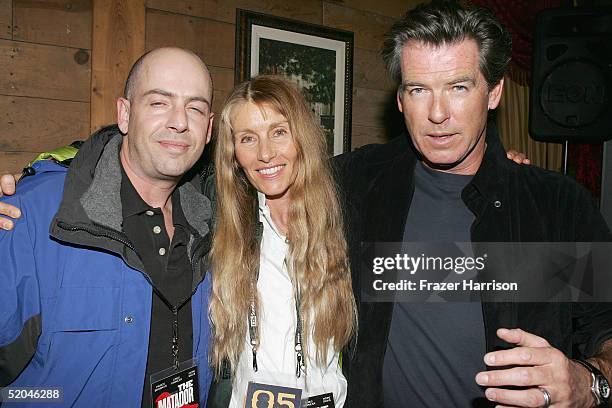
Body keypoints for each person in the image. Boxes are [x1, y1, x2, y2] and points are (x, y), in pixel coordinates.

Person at [334, 1, 612, 407]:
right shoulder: (359, 181)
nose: (437, 114)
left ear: (494, 91)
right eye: (418, 90)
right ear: (400, 99)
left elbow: (605, 327)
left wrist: (588, 384)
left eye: (458, 87)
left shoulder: (554, 205)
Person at [0, 47, 215, 407]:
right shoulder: (33, 215)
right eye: (159, 103)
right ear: (125, 114)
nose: (180, 121)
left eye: (195, 107)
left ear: (208, 129)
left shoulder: (215, 225)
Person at [208, 75, 356, 407]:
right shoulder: (219, 230)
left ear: (300, 137)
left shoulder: (347, 221)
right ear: (234, 155)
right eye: (248, 138)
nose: (265, 153)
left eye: (278, 132)